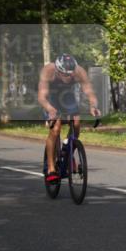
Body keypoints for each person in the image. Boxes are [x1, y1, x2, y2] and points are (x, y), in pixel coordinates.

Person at [38, 54, 100, 184]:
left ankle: (68, 149)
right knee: (56, 129)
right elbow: (42, 97)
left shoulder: (79, 71)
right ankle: (51, 168)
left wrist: (93, 106)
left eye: (70, 74)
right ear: (57, 70)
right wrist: (50, 110)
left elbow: (89, 92)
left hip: (67, 96)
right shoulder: (48, 71)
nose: (68, 77)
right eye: (65, 75)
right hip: (51, 98)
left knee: (76, 123)